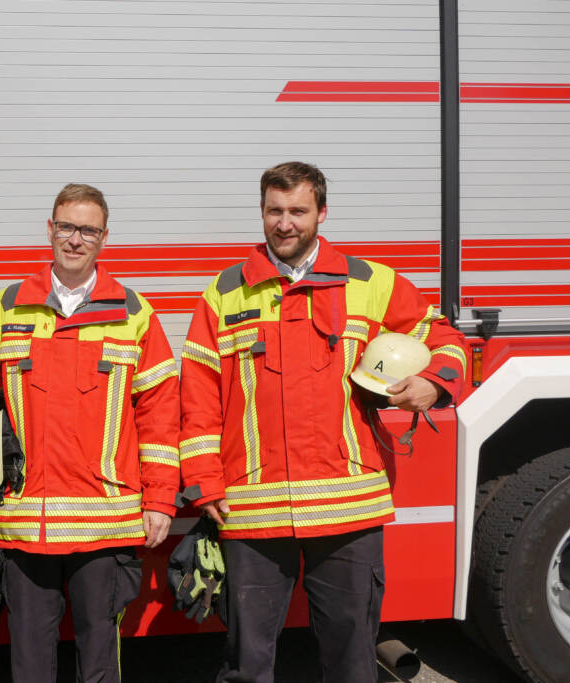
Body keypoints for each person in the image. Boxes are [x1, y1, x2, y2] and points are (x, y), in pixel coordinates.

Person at [178, 162, 466, 683]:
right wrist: (203, 481)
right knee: (246, 664)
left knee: (352, 660)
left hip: (347, 505)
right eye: (274, 211)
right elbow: (198, 395)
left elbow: (445, 339)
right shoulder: (224, 295)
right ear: (262, 213)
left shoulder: (372, 284)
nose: (284, 223)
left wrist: (435, 384)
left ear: (321, 213)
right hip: (253, 506)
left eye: (297, 211)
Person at [0, 183, 181, 683]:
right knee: (30, 665)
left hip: (106, 527)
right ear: (50, 230)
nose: (76, 239)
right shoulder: (8, 309)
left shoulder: (133, 315)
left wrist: (160, 500)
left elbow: (159, 415)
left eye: (88, 230)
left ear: (104, 237)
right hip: (28, 527)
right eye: (67, 227)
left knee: (100, 663)